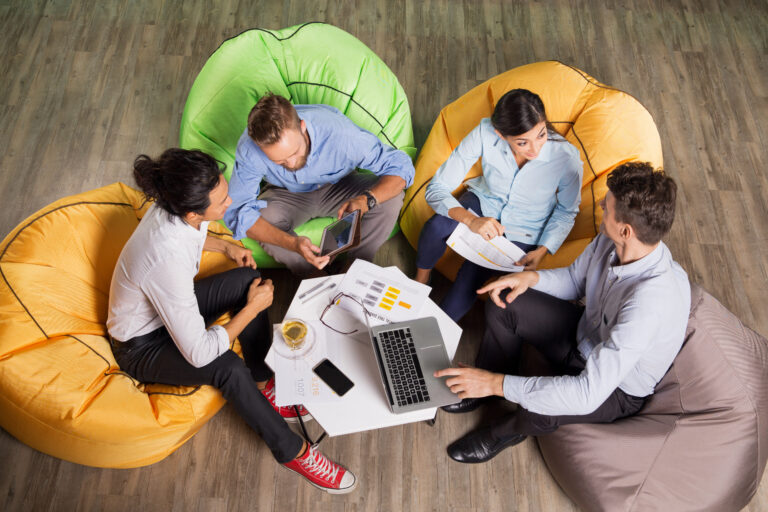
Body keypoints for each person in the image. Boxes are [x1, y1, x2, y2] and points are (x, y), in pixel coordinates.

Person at [107, 148, 356, 493]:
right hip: (141, 346)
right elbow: (199, 353)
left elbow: (191, 235)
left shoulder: (173, 207)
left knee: (244, 281)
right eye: (222, 200)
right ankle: (294, 453)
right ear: (194, 211)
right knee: (228, 367)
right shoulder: (166, 257)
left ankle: (264, 383)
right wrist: (252, 310)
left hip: (163, 311)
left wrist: (223, 248)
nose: (230, 203)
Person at [435, 162, 690, 464]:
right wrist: (531, 279)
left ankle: (503, 431)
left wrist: (496, 382)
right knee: (504, 296)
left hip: (615, 387)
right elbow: (574, 281)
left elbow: (586, 394)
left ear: (626, 230)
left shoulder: (650, 303)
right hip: (583, 336)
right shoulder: (611, 240)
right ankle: (484, 386)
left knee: (543, 404)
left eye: (606, 206)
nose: (598, 205)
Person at [415, 89, 583, 321]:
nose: (535, 149)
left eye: (542, 134)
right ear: (501, 135)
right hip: (485, 201)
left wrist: (543, 250)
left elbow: (566, 211)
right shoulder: (485, 132)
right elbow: (436, 188)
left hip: (525, 229)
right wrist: (471, 219)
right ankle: (420, 282)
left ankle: (437, 326)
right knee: (436, 226)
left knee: (470, 277)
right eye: (523, 142)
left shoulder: (567, 156)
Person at [224, 93, 415, 276]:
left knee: (391, 199)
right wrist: (292, 243)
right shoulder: (250, 149)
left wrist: (367, 200)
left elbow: (401, 167)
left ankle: (356, 268)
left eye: (294, 152)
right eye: (280, 162)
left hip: (340, 186)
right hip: (286, 194)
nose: (291, 164)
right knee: (261, 219)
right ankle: (314, 276)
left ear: (302, 126)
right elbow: (239, 213)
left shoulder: (341, 135)